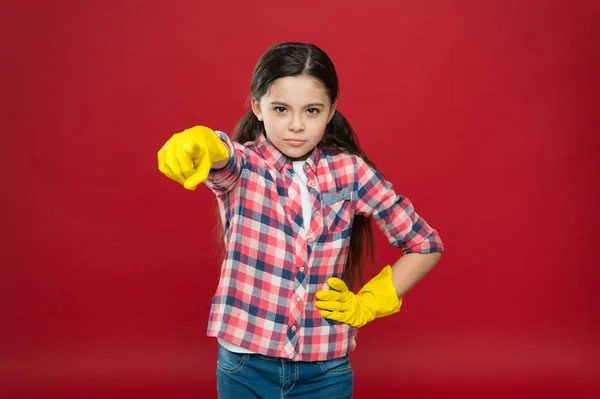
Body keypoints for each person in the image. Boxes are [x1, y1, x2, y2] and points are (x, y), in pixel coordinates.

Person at [157, 42, 444, 399]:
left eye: (311, 110)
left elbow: (425, 245)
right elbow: (221, 155)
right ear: (257, 107)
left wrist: (369, 302)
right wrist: (198, 143)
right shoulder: (244, 166)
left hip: (325, 368)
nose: (296, 125)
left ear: (331, 110)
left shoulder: (350, 172)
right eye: (281, 109)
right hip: (244, 364)